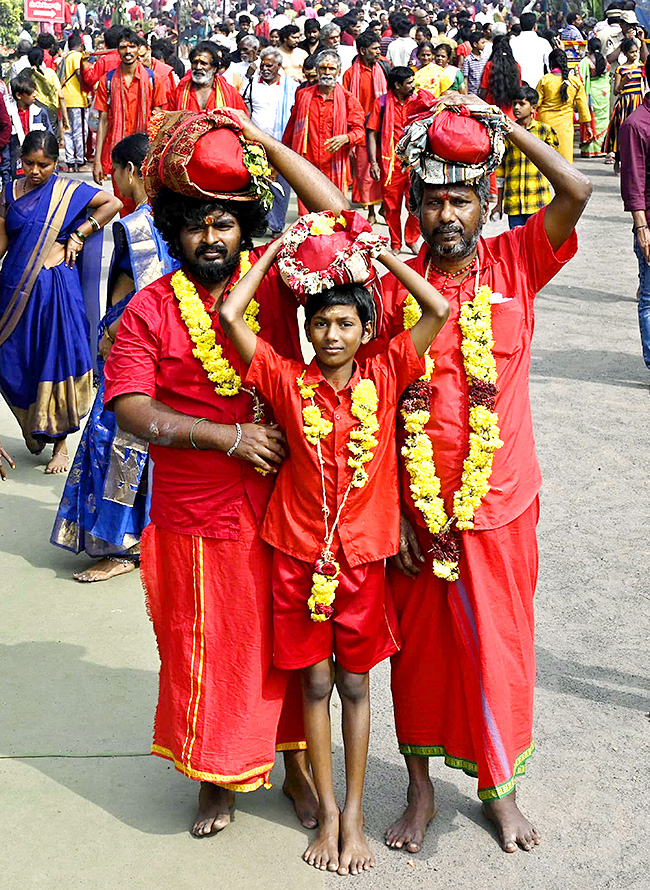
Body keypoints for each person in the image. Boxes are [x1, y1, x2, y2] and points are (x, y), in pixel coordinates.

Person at [102, 108, 352, 837]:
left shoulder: (277, 280)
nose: (210, 238)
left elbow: (339, 215)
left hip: (292, 502)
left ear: (246, 223)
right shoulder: (151, 307)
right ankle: (214, 775)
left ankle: (298, 765)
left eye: (224, 223)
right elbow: (129, 407)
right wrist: (228, 437)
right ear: (174, 229)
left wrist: (266, 147)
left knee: (292, 643)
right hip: (197, 512)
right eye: (195, 225)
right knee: (205, 642)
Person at [368, 95, 591, 855]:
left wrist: (503, 129)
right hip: (416, 514)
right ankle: (421, 789)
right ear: (418, 208)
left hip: (500, 504)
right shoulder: (395, 283)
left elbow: (578, 191)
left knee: (502, 651)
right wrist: (395, 510)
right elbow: (376, 397)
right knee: (419, 660)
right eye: (432, 202)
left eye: (461, 199)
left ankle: (502, 792)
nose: (447, 216)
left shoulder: (517, 259)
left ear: (485, 200)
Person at [218, 216, 449, 875]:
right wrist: (274, 254)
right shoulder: (288, 381)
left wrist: (383, 254)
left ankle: (353, 813)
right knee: (314, 684)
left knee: (354, 683)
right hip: (298, 558)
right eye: (320, 324)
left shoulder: (388, 368)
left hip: (363, 561)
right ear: (306, 330)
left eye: (346, 323)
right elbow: (234, 315)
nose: (332, 335)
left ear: (365, 329)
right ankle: (323, 811)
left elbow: (433, 307)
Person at [51, 133, 178, 580]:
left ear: (131, 171)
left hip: (137, 345)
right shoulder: (176, 217)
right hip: (173, 344)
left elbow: (137, 295)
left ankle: (123, 545)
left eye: (116, 170)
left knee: (117, 435)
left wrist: (110, 335)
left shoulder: (137, 225)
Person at [0, 130, 121, 473]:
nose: (36, 170)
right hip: (13, 290)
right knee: (13, 358)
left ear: (56, 162)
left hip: (56, 294)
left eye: (44, 164)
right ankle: (34, 424)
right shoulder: (9, 192)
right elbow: (3, 240)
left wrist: (79, 236)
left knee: (54, 360)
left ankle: (60, 446)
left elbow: (112, 203)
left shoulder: (67, 191)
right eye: (29, 163)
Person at [283, 50, 365, 215]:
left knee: (334, 216)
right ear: (317, 70)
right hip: (307, 166)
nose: (327, 73)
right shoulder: (303, 95)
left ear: (339, 72)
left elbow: (360, 132)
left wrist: (346, 138)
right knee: (306, 218)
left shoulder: (349, 99)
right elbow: (291, 131)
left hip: (334, 167)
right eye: (323, 68)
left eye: (332, 69)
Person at [93, 29, 166, 214]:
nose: (128, 51)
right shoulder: (107, 81)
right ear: (117, 50)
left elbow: (160, 119)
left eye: (132, 46)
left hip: (145, 155)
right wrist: (98, 161)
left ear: (139, 49)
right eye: (123, 47)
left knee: (148, 207)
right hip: (119, 156)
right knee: (124, 207)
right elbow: (103, 122)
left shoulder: (153, 80)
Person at [241, 47, 298, 235]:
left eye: (270, 65)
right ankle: (258, 224)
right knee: (256, 185)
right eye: (263, 65)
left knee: (280, 187)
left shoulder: (291, 87)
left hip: (282, 143)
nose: (265, 69)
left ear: (279, 67)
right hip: (256, 145)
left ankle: (276, 226)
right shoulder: (250, 85)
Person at [367, 66, 420, 253]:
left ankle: (412, 238)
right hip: (391, 164)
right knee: (391, 207)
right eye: (409, 83)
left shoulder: (418, 101)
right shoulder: (381, 103)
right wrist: (373, 162)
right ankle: (396, 243)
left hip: (415, 163)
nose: (413, 86)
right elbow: (372, 133)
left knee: (417, 203)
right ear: (397, 85)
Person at [619, 57, 650, 371]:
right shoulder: (636, 125)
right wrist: (642, 228)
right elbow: (634, 181)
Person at [493, 85, 560, 228]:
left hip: (538, 201)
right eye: (514, 103)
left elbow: (556, 166)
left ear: (533, 108)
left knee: (537, 242)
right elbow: (501, 171)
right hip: (514, 203)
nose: (517, 107)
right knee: (517, 243)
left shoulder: (544, 131)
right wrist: (498, 204)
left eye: (522, 104)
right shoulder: (507, 133)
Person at [342, 30, 387, 225]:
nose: (378, 52)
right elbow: (345, 102)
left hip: (383, 126)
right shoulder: (350, 74)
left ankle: (385, 207)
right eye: (374, 49)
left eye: (379, 48)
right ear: (362, 50)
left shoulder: (384, 67)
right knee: (365, 171)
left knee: (386, 168)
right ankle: (371, 211)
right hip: (361, 128)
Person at [536, 48, 592, 162]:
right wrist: (588, 126)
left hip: (545, 124)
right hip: (565, 126)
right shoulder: (575, 81)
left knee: (545, 160)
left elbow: (535, 104)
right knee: (564, 161)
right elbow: (583, 107)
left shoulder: (545, 80)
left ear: (550, 63)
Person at [170, 41, 247, 113]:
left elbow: (242, 121)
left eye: (203, 63)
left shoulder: (231, 94)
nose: (198, 67)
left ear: (214, 69)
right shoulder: (180, 91)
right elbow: (169, 120)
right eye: (195, 62)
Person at [603, 37, 645, 168]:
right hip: (625, 104)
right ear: (625, 53)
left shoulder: (641, 67)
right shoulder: (621, 69)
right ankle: (618, 159)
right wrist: (624, 81)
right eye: (632, 52)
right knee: (621, 131)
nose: (635, 54)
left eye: (636, 52)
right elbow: (616, 90)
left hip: (638, 102)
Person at [5, 73, 54, 180]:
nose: (35, 95)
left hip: (39, 162)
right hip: (17, 163)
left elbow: (50, 138)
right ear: (19, 96)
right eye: (31, 92)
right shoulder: (8, 115)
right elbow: (6, 146)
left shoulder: (40, 113)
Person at [60, 31, 89, 172]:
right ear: (81, 46)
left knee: (68, 130)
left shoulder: (65, 58)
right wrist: (87, 88)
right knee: (80, 131)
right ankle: (80, 161)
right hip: (77, 98)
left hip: (65, 97)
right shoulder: (78, 57)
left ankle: (70, 162)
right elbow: (79, 73)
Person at [28, 45, 69, 142]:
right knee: (51, 141)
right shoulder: (50, 73)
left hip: (33, 110)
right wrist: (65, 119)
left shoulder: (28, 74)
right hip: (51, 112)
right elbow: (61, 96)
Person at [578, 38, 610, 158]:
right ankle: (602, 148)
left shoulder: (586, 61)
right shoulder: (605, 61)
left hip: (591, 92)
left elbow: (579, 76)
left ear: (589, 48)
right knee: (603, 120)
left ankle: (590, 150)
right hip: (604, 92)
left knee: (591, 118)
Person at [478, 34, 521, 119]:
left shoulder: (490, 66)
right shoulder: (516, 66)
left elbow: (484, 89)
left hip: (491, 111)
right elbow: (519, 88)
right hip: (511, 113)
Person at [510, 12, 552, 90]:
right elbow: (550, 65)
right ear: (535, 26)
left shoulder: (511, 42)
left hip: (516, 86)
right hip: (537, 87)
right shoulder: (543, 43)